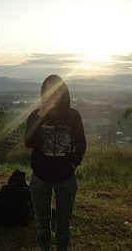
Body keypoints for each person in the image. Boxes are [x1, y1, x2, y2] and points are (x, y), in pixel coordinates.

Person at [24, 75, 86, 251]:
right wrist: (41, 115)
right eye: (48, 89)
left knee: (63, 225)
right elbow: (29, 143)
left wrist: (73, 166)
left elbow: (81, 146)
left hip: (66, 178)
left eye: (57, 89)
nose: (53, 93)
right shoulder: (35, 116)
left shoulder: (73, 116)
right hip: (40, 178)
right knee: (43, 225)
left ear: (63, 92)